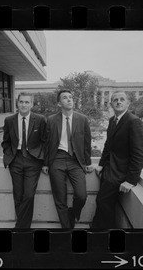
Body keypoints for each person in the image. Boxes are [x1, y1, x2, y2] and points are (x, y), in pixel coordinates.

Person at [91, 91, 143, 229]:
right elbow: (108, 145)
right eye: (115, 100)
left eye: (122, 99)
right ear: (111, 104)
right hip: (109, 170)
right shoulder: (112, 120)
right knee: (104, 203)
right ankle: (96, 231)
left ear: (128, 103)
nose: (118, 102)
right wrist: (101, 164)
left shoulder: (133, 121)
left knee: (102, 201)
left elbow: (139, 154)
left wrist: (131, 180)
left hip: (121, 173)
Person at [42, 89, 93, 228]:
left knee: (81, 195)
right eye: (65, 98)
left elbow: (87, 143)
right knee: (60, 199)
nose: (69, 99)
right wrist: (45, 163)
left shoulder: (82, 119)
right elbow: (46, 143)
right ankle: (67, 229)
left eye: (70, 97)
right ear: (59, 104)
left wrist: (88, 162)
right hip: (57, 159)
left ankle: (73, 213)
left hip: (75, 160)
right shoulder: (51, 120)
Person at [1, 92, 46, 228]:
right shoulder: (9, 120)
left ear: (32, 104)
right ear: (17, 103)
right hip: (16, 159)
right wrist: (9, 155)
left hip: (33, 160)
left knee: (29, 195)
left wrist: (43, 161)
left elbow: (45, 142)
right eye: (21, 102)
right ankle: (24, 228)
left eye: (27, 102)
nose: (24, 105)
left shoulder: (40, 119)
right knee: (18, 195)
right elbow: (5, 142)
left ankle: (20, 227)